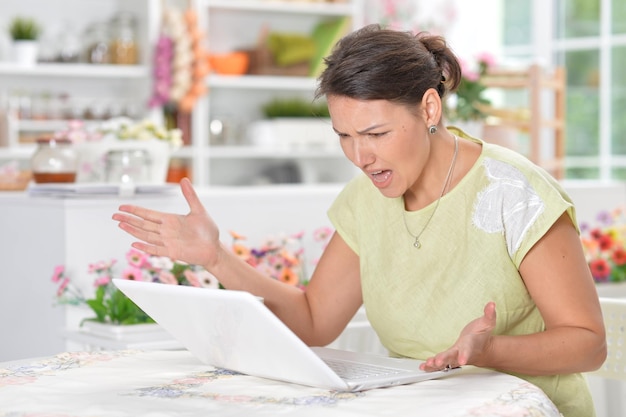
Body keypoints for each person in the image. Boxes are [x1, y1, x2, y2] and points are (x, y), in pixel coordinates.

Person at [112, 24, 606, 417]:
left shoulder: (515, 193)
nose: (360, 156)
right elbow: (313, 321)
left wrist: (487, 351)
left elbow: (588, 345)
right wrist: (216, 259)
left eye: (375, 133)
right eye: (344, 136)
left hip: (523, 407)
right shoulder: (366, 199)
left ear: (428, 108)